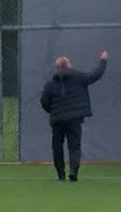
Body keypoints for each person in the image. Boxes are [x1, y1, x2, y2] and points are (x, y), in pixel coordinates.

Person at [39, 51, 108, 182]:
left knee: (57, 146)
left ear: (57, 67)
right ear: (68, 65)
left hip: (57, 119)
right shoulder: (78, 77)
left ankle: (60, 174)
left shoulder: (50, 84)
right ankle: (73, 171)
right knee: (74, 145)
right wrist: (103, 61)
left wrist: (53, 111)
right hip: (74, 118)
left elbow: (44, 101)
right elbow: (95, 75)